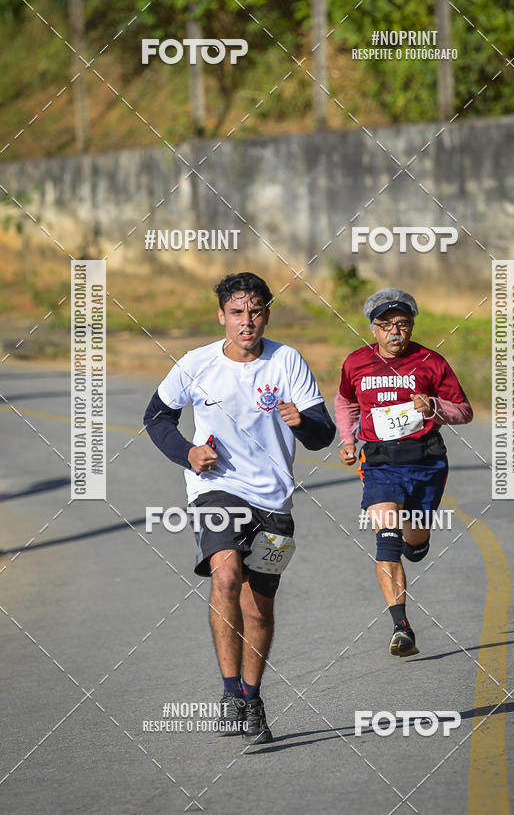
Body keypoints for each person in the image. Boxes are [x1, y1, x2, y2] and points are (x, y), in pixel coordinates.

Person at [143, 272, 336, 744]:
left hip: (273, 498)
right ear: (221, 316)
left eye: (255, 312)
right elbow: (157, 416)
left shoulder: (286, 361)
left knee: (259, 608)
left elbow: (323, 434)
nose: (246, 321)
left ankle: (252, 697)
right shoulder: (197, 363)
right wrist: (188, 452)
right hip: (216, 488)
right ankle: (230, 693)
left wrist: (302, 422)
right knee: (226, 577)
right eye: (236, 312)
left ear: (267, 315)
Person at [335, 288, 473, 657]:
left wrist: (433, 407)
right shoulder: (356, 362)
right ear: (373, 328)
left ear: (411, 326)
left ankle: (419, 542)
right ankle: (401, 627)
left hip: (426, 462)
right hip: (380, 463)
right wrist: (347, 439)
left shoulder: (431, 362)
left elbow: (464, 410)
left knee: (413, 538)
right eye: (386, 324)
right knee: (387, 541)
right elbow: (346, 400)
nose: (395, 331)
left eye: (402, 323)